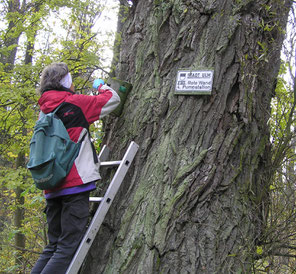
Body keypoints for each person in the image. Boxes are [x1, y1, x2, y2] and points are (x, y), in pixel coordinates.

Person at [31, 62, 120, 274]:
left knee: (52, 246)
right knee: (66, 248)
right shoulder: (75, 103)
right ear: (65, 81)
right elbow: (113, 100)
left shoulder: (43, 111)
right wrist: (101, 86)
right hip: (74, 184)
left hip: (51, 186)